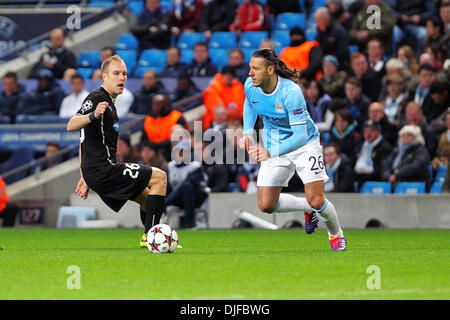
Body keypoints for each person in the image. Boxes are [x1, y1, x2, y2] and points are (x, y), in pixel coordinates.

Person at [239, 48, 347, 251]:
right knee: (266, 205)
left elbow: (300, 136)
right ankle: (306, 207)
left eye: (255, 69)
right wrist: (247, 131)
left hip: (304, 144)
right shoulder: (251, 86)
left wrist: (271, 152)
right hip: (274, 143)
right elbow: (250, 103)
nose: (250, 73)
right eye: (250, 68)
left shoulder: (291, 92)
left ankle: (336, 235)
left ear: (270, 70)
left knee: (316, 199)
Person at [66, 55, 168, 249]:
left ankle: (150, 237)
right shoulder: (97, 98)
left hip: (97, 171)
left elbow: (84, 139)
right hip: (105, 169)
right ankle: (152, 239)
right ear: (104, 77)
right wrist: (92, 114)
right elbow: (71, 124)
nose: (121, 78)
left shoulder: (110, 103)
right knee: (159, 178)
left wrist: (84, 175)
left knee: (148, 200)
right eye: (116, 73)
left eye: (124, 74)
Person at [166, 140, 208, 228]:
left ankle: (190, 222)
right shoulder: (171, 166)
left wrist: (167, 201)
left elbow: (189, 184)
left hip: (196, 198)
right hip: (178, 198)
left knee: (186, 187)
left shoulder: (196, 167)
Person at [141, 94, 188, 160]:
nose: (154, 107)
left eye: (157, 105)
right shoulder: (149, 119)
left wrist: (157, 146)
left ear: (165, 106)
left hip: (170, 151)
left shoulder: (177, 117)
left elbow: (180, 139)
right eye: (153, 104)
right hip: (153, 151)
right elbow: (143, 140)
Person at [353, 120, 393, 187]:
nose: (368, 134)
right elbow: (353, 162)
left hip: (375, 181)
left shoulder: (385, 148)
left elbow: (382, 168)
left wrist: (363, 179)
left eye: (371, 131)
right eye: (366, 131)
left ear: (379, 132)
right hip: (358, 178)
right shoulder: (360, 146)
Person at [203, 66, 245, 130]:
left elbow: (243, 104)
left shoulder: (238, 86)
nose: (228, 78)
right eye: (226, 75)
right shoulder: (213, 89)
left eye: (230, 76)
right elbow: (219, 112)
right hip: (217, 124)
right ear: (221, 75)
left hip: (238, 120)